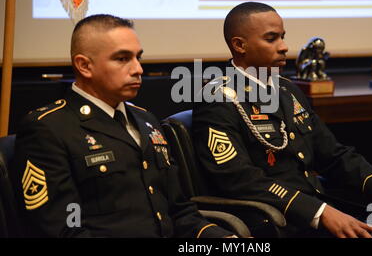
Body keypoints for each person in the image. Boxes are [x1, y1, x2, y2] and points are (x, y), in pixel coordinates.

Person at [192, 2, 372, 238]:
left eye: (282, 37)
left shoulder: (286, 90)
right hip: (285, 223)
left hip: (326, 210)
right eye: (271, 39)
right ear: (239, 45)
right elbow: (241, 181)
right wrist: (320, 211)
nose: (283, 46)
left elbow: (335, 155)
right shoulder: (218, 99)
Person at [11, 14, 234, 238]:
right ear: (84, 65)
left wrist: (225, 239)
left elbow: (179, 211)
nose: (138, 69)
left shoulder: (146, 121)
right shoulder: (49, 128)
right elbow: (63, 229)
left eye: (138, 57)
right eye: (122, 59)